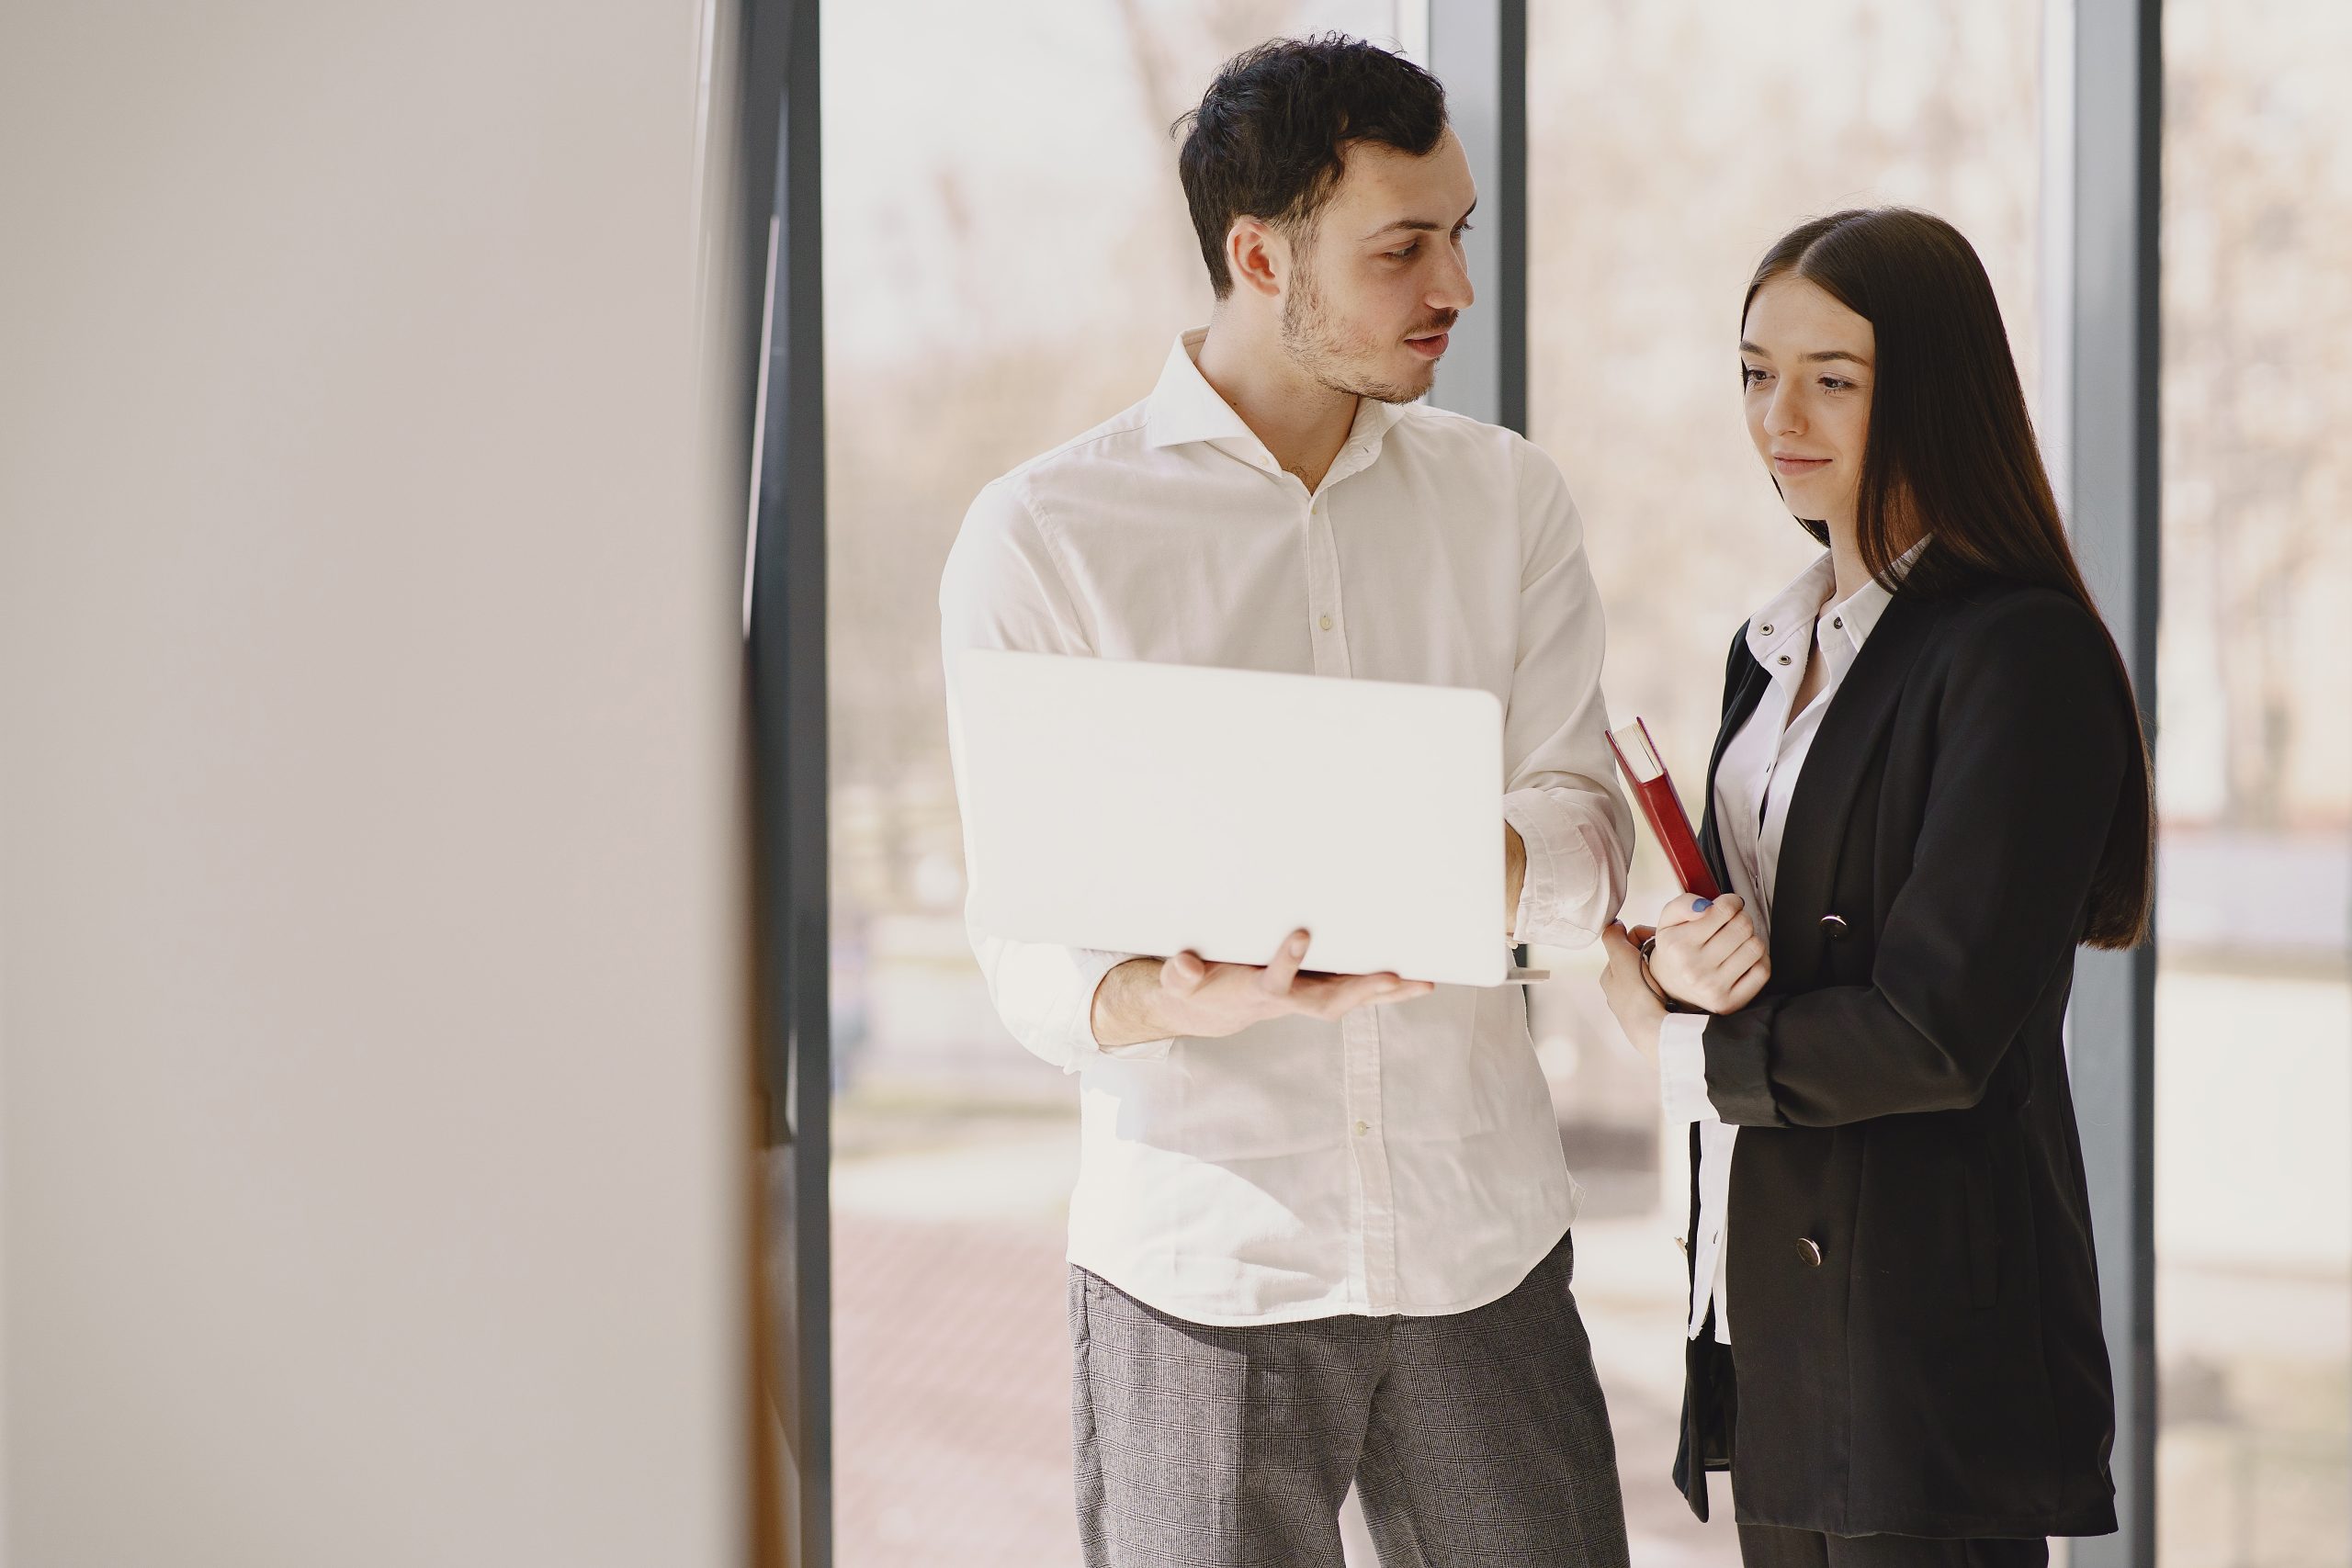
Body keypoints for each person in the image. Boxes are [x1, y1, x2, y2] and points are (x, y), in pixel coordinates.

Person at [939, 34, 1635, 1568]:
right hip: (1201, 1268)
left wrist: (1452, 854)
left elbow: (1588, 826)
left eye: (1458, 232)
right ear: (1259, 256)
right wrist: (1161, 995)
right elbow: (1022, 948)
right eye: (1404, 248)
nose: (1454, 284)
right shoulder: (1045, 539)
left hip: (1480, 1241)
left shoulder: (1508, 499)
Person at [1595, 207, 2153, 1567]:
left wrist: (1681, 1050)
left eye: (1832, 378)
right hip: (1777, 1326)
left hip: (1926, 1347)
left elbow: (1931, 1029)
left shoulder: (2018, 656)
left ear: (1931, 389)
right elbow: (1780, 933)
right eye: (1753, 370)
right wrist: (1681, 962)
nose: (1778, 413)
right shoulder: (1773, 646)